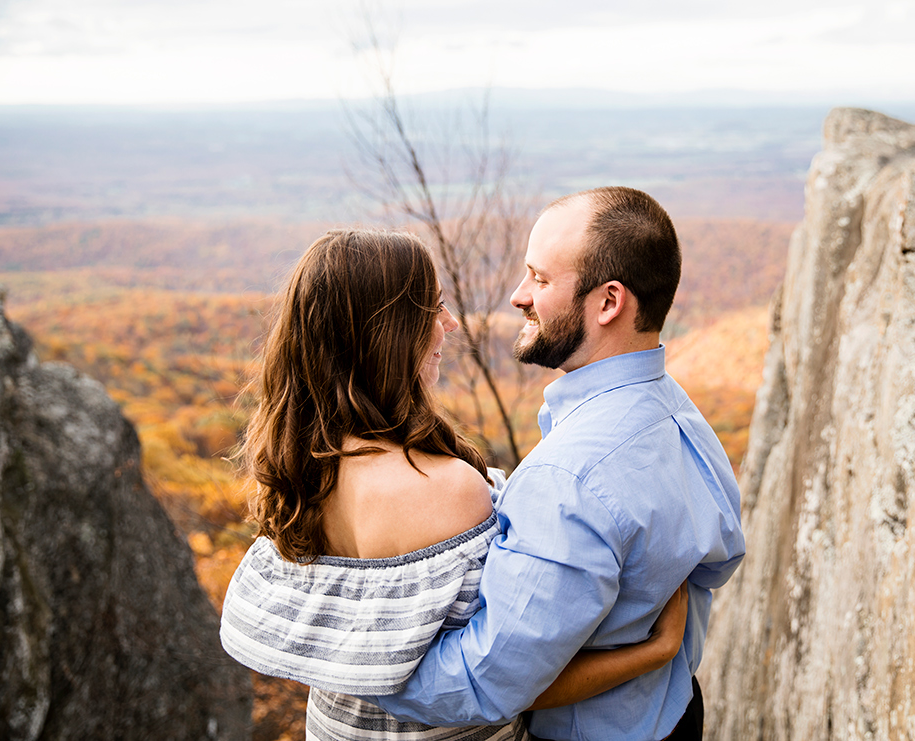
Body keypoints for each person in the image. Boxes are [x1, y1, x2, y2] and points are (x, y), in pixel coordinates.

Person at [219, 229, 690, 741]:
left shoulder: (300, 475)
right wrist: (651, 652)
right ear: (387, 334)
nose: (450, 323)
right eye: (433, 309)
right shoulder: (444, 490)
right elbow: (499, 681)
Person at [360, 187, 746, 740]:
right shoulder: (675, 410)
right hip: (674, 709)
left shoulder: (568, 480)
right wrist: (649, 642)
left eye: (540, 279)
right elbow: (720, 558)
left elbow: (480, 684)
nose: (519, 295)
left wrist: (354, 668)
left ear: (608, 303)